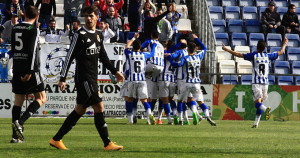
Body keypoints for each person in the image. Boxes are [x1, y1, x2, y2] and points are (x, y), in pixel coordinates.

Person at [49, 6, 125, 150]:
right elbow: (69, 56)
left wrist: (115, 71)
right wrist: (63, 78)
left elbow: (103, 56)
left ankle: (56, 139)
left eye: (91, 16)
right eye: (86, 16)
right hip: (84, 79)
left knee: (80, 110)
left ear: (97, 17)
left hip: (92, 78)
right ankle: (107, 143)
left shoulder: (98, 34)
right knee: (99, 106)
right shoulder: (80, 34)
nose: (89, 19)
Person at [222, 37, 288, 128]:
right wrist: (284, 43)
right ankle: (256, 123)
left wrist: (226, 49)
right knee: (259, 102)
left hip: (256, 83)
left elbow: (238, 54)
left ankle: (266, 110)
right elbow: (280, 52)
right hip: (265, 83)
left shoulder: (254, 56)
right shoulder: (268, 56)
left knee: (257, 103)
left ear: (257, 48)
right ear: (265, 48)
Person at [11, 6, 47, 143]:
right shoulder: (33, 30)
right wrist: (29, 71)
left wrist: (18, 67)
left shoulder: (15, 28)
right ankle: (20, 122)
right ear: (37, 17)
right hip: (30, 70)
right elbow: (32, 52)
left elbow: (14, 48)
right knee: (42, 98)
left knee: (18, 101)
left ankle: (15, 137)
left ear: (24, 14)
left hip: (17, 67)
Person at [167, 35, 216, 126]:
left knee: (180, 101)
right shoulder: (198, 56)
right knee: (201, 102)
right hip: (196, 83)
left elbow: (174, 65)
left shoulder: (185, 58)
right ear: (195, 49)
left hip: (186, 83)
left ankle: (181, 120)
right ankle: (207, 116)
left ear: (188, 49)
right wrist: (197, 39)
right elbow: (204, 48)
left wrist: (170, 58)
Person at [125, 33, 156, 125]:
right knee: (144, 100)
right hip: (142, 80)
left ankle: (130, 120)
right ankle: (149, 114)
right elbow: (152, 53)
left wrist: (133, 38)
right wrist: (154, 46)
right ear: (140, 47)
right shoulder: (143, 55)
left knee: (129, 99)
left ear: (133, 47)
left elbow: (126, 46)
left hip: (131, 80)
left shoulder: (129, 54)